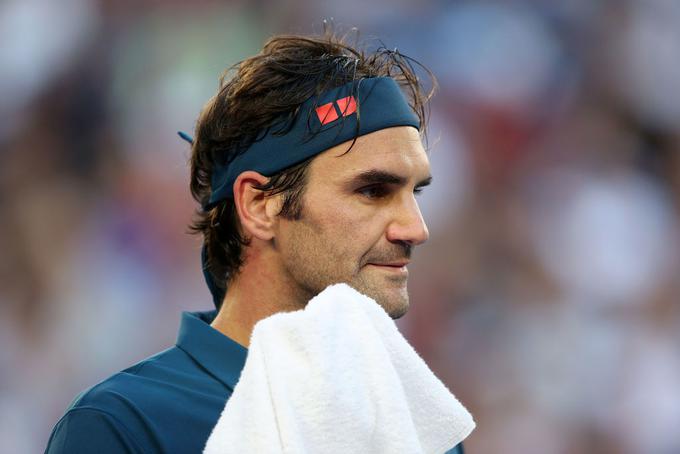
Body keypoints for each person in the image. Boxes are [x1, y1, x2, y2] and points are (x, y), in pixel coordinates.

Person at [45, 31, 465, 453]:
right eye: (373, 191)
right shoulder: (125, 426)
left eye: (417, 192)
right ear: (260, 205)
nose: (415, 228)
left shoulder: (419, 428)